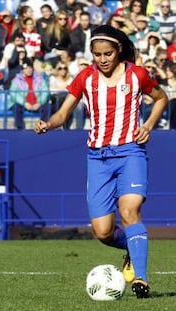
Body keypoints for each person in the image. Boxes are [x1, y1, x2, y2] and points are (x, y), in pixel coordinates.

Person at [34, 25, 168, 299]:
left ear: (118, 51)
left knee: (130, 212)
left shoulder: (137, 75)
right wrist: (48, 124)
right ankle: (131, 247)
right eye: (97, 54)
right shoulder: (85, 78)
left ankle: (140, 279)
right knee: (103, 231)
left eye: (107, 53)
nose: (103, 59)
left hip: (131, 152)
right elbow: (62, 114)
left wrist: (149, 124)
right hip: (98, 158)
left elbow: (161, 98)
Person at [8, 58, 50, 129]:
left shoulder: (40, 79)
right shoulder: (16, 80)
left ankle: (43, 126)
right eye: (26, 68)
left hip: (37, 103)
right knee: (16, 107)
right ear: (22, 70)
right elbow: (13, 93)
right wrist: (24, 103)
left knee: (47, 106)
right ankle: (20, 127)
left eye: (30, 68)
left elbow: (45, 91)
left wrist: (39, 102)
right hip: (23, 103)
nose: (28, 70)